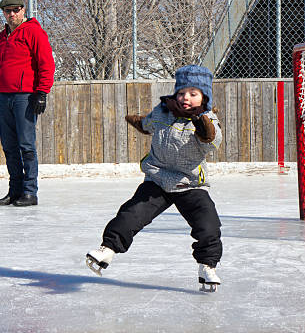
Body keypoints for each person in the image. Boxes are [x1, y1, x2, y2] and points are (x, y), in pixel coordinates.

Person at [85, 65, 224, 292]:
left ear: (204, 97)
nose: (185, 98)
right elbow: (148, 123)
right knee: (131, 213)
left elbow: (213, 139)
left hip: (190, 183)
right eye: (181, 93)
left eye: (193, 93)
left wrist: (202, 124)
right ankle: (107, 249)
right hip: (158, 178)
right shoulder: (163, 111)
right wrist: (139, 122)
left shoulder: (207, 118)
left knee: (208, 224)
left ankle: (207, 266)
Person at [0, 0, 55, 207]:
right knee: (9, 146)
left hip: (24, 97)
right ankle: (15, 190)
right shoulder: (2, 38)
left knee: (26, 145)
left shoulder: (34, 32)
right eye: (8, 11)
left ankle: (30, 191)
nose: (12, 14)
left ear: (23, 10)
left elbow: (46, 63)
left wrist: (42, 92)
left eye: (15, 10)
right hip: (5, 97)